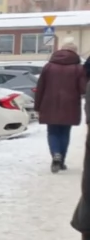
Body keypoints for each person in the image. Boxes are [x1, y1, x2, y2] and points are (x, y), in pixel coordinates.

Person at [35, 40, 87, 173]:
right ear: (75, 52)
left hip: (49, 103)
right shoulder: (78, 68)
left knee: (52, 132)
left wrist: (37, 106)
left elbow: (40, 87)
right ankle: (61, 160)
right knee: (64, 132)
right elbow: (83, 89)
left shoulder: (48, 66)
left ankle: (55, 154)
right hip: (70, 105)